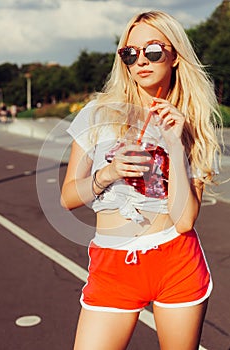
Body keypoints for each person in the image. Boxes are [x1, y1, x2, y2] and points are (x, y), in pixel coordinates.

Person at [61, 10, 222, 350]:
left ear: (174, 55)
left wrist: (177, 143)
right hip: (112, 266)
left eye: (152, 50)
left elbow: (184, 221)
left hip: (175, 260)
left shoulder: (190, 124)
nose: (141, 61)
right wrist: (108, 173)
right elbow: (68, 198)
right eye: (130, 53)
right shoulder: (97, 113)